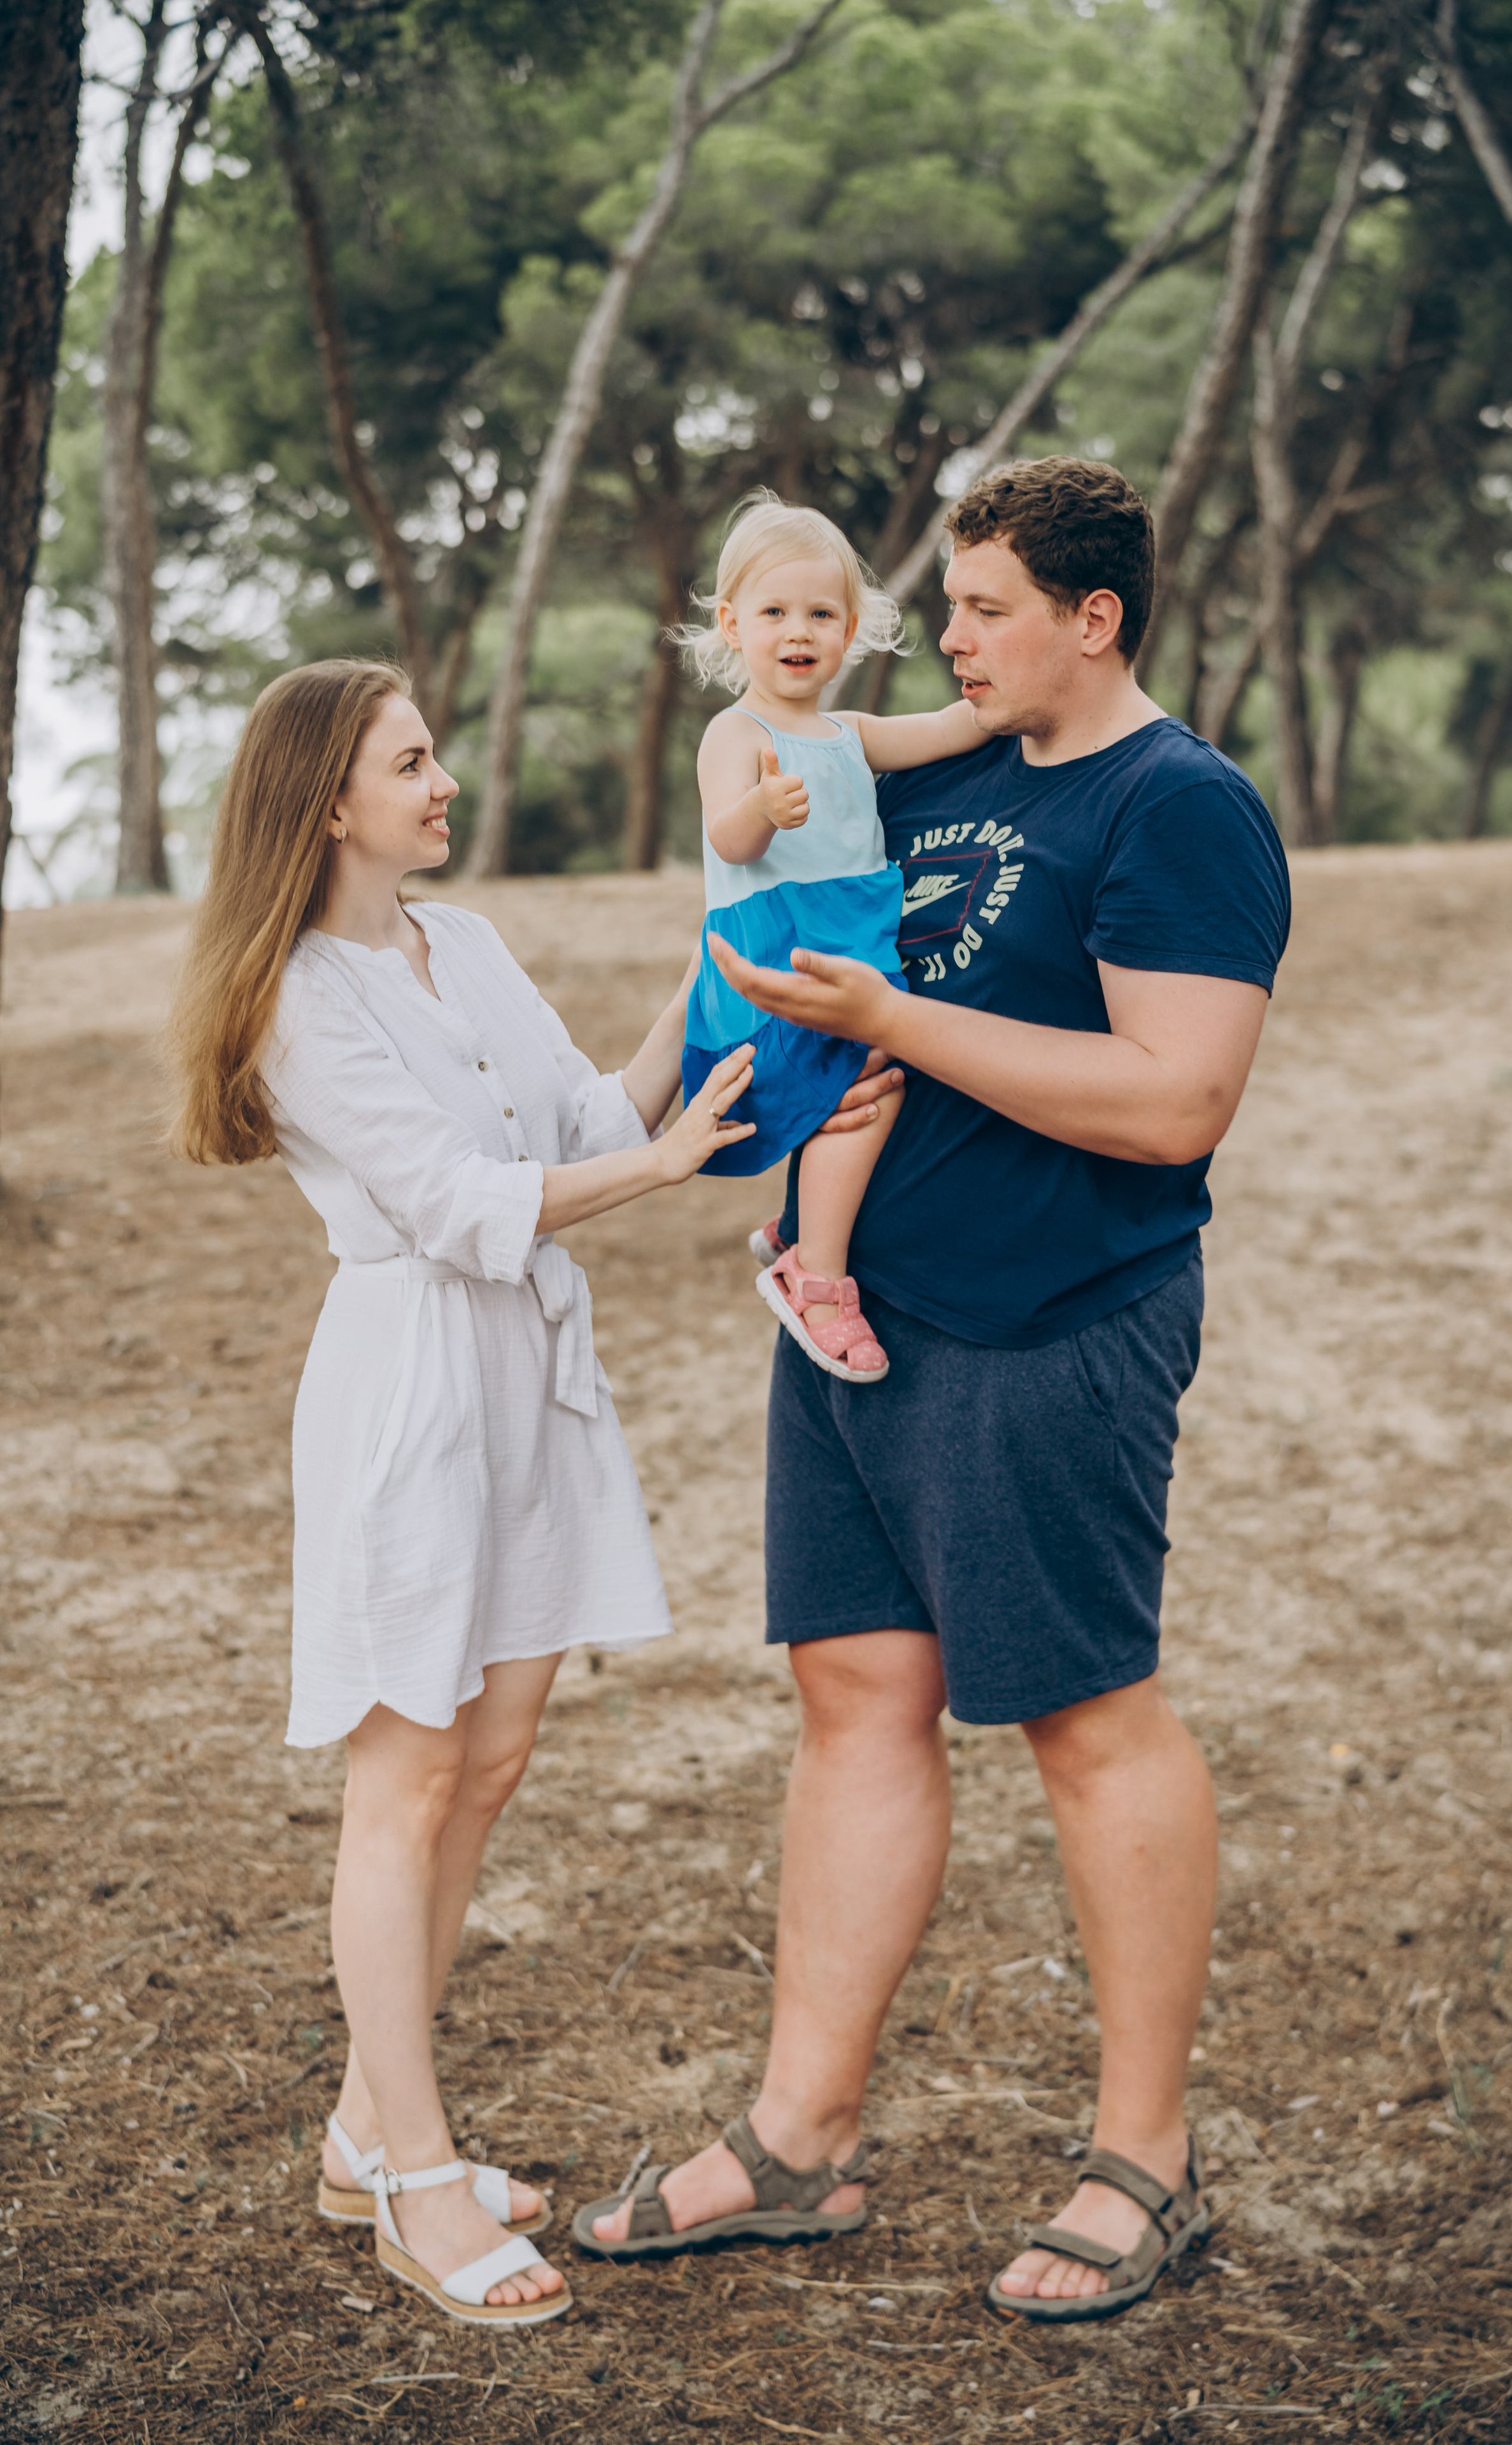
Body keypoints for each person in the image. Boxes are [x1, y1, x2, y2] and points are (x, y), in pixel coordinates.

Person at [574, 458, 1291, 2325]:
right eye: (948, 608)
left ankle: (1150, 2158)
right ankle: (801, 2137)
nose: (945, 637)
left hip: (1050, 1323)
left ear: (1095, 617)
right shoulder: (947, 761)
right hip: (850, 1313)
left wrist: (889, 1023)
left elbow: (1175, 1097)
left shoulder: (1179, 808)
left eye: (980, 609)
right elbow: (742, 917)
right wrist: (602, 1132)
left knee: (1085, 1715)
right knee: (853, 1696)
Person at [166, 660, 756, 2327]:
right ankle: (416, 2187)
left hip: (530, 1389)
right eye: (415, 762)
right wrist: (655, 1168)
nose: (446, 783)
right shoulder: (295, 996)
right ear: (328, 802)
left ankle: (370, 2126)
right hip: (415, 1393)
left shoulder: (469, 945)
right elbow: (449, 1203)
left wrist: (719, 974)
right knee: (406, 1781)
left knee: (491, 1760)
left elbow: (583, 1111)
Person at [677, 491, 983, 1385]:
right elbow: (728, 839)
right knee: (872, 1085)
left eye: (820, 613)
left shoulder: (851, 734)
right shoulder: (737, 731)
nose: (798, 631)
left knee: (884, 1079)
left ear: (851, 630)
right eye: (774, 612)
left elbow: (948, 729)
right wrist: (763, 810)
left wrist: (1003, 706)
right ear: (734, 625)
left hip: (845, 945)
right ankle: (814, 1273)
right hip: (778, 955)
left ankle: (802, 1219)